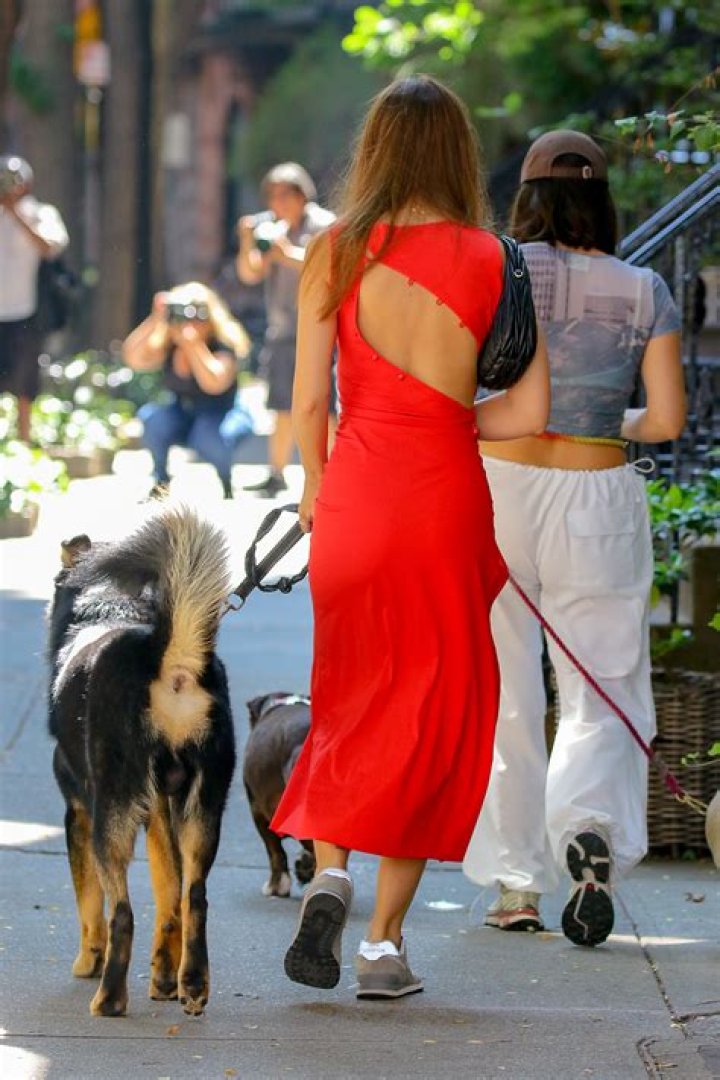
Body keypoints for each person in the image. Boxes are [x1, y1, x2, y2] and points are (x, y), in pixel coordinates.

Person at [270, 75, 550, 999]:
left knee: (345, 695)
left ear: (377, 148)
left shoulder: (335, 250)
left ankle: (331, 870)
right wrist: (443, 421)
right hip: (444, 500)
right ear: (458, 152)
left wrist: (317, 488)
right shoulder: (494, 257)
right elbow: (530, 410)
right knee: (433, 712)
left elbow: (309, 403)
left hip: (355, 497)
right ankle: (384, 946)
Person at [462, 130, 686, 946]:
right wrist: (599, 419)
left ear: (525, 196)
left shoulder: (493, 272)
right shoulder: (644, 288)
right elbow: (664, 421)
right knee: (602, 680)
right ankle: (586, 831)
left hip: (499, 487)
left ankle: (516, 882)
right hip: (598, 491)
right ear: (601, 198)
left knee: (507, 689)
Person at [236, 162, 335, 497]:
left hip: (322, 329)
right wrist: (247, 243)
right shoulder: (271, 228)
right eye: (272, 196)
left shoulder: (324, 224)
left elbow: (332, 266)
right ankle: (276, 474)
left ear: (300, 193)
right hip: (283, 330)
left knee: (328, 406)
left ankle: (334, 474)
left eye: (283, 194)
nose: (276, 203)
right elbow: (251, 274)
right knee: (280, 405)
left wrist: (287, 253)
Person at [122, 282, 251, 499]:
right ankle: (160, 479)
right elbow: (132, 358)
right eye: (181, 314)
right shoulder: (168, 344)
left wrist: (194, 346)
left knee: (208, 438)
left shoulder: (221, 346)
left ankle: (225, 478)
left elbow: (214, 383)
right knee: (152, 419)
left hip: (221, 413)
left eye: (197, 315)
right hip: (182, 412)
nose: (189, 322)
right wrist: (156, 319)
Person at [0, 155, 69, 442]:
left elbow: (50, 248)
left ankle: (23, 442)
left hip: (28, 310)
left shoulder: (41, 213)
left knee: (26, 380)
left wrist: (16, 214)